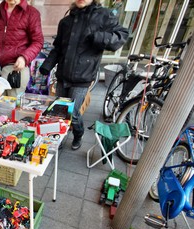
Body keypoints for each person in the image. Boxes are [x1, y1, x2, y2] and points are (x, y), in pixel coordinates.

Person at [40, 0, 128, 150]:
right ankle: (59, 137)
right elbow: (58, 48)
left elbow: (122, 36)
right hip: (63, 75)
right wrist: (47, 66)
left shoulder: (104, 16)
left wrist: (99, 37)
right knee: (60, 111)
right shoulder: (66, 21)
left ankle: (78, 134)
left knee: (72, 112)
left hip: (83, 77)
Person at [0, 0, 44, 97]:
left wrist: (24, 58)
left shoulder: (31, 13)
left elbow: (38, 41)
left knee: (11, 108)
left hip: (16, 69)